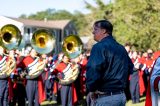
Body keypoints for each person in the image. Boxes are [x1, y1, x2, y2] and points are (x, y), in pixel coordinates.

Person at [86, 19, 134, 106]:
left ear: (104, 31)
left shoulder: (98, 47)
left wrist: (92, 89)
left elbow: (93, 70)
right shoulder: (121, 48)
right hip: (120, 96)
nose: (93, 32)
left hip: (106, 97)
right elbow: (131, 68)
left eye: (95, 29)